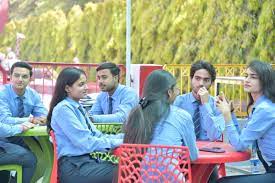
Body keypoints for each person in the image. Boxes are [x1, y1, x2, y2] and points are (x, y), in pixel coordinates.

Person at [47, 67, 124, 183]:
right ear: (67, 88)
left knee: (123, 168)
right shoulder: (63, 110)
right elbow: (85, 142)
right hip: (75, 168)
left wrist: (123, 137)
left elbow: (97, 135)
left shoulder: (78, 107)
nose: (86, 88)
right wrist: (118, 142)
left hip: (86, 163)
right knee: (124, 171)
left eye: (85, 84)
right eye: (81, 84)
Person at [123, 70, 198, 177]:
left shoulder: (136, 113)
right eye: (176, 89)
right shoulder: (182, 115)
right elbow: (193, 156)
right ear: (169, 92)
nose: (178, 92)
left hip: (136, 178)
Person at [216, 60, 275, 183]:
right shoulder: (259, 106)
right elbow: (241, 140)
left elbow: (239, 145)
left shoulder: (265, 109)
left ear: (265, 81)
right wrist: (231, 113)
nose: (247, 80)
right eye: (246, 76)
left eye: (253, 77)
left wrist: (226, 115)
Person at [174, 60, 229, 141]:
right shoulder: (179, 101)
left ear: (212, 83)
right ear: (191, 79)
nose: (201, 83)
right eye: (197, 78)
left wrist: (205, 105)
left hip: (208, 150)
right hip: (184, 149)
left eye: (206, 80)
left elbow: (214, 136)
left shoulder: (217, 105)